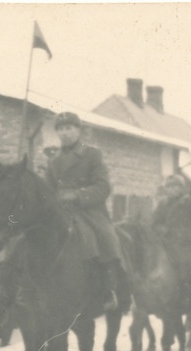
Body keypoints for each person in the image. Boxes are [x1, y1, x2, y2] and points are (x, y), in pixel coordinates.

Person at [45, 111, 123, 311]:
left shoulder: (91, 155)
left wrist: (78, 195)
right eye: (61, 129)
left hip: (89, 211)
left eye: (69, 128)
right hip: (60, 210)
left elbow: (103, 186)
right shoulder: (54, 160)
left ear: (78, 130)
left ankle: (109, 290)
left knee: (107, 239)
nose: (65, 133)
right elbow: (48, 189)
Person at [150, 173, 191, 296]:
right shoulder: (162, 204)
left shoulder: (190, 202)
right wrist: (163, 230)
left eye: (176, 187)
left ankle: (188, 292)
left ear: (181, 188)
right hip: (165, 242)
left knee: (186, 265)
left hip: (185, 243)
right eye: (169, 187)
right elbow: (154, 223)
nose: (173, 190)